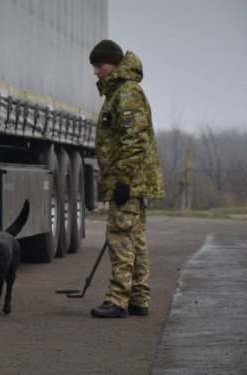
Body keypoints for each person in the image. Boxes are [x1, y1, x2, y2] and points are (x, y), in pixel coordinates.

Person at [88, 39, 165, 318]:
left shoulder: (127, 92)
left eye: (99, 65)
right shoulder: (120, 92)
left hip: (128, 182)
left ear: (114, 64)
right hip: (130, 181)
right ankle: (138, 298)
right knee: (135, 238)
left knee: (120, 236)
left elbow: (134, 140)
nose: (96, 72)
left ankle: (118, 300)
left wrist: (124, 181)